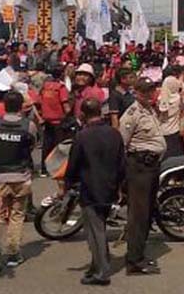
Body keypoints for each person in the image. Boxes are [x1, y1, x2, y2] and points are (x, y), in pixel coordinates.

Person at [65, 98, 126, 287]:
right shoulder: (114, 134)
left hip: (91, 189)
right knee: (98, 228)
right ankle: (96, 266)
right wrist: (121, 187)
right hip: (110, 187)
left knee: (95, 232)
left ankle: (101, 272)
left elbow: (73, 163)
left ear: (83, 114)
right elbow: (121, 163)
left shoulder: (82, 136)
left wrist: (68, 184)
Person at [119, 77, 166, 276]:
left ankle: (140, 254)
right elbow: (122, 144)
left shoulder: (149, 110)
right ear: (136, 92)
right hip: (138, 167)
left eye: (151, 90)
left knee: (147, 213)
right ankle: (134, 261)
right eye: (145, 91)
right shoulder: (131, 114)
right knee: (138, 215)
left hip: (151, 167)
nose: (149, 94)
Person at [0, 90, 37, 275]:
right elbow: (32, 145)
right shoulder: (28, 125)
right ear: (21, 106)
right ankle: (13, 253)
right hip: (21, 177)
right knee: (17, 215)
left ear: (4, 105)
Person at [37, 67, 71, 175]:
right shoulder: (61, 88)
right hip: (59, 121)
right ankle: (58, 169)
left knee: (46, 146)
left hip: (47, 120)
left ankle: (44, 169)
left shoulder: (45, 87)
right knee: (59, 147)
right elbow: (66, 106)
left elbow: (39, 102)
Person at [158, 64, 184, 159]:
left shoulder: (160, 98)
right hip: (176, 131)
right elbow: (182, 87)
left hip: (164, 131)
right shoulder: (179, 99)